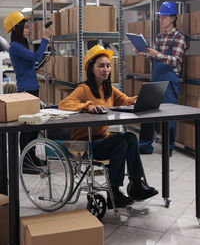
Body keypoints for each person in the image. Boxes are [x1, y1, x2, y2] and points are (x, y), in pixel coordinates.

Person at [58, 45, 158, 209]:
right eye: (101, 65)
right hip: (83, 144)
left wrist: (140, 98)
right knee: (120, 142)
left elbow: (125, 100)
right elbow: (64, 104)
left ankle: (136, 184)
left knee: (130, 138)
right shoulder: (83, 89)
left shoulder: (108, 89)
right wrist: (87, 106)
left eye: (108, 65)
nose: (106, 69)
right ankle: (114, 193)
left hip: (101, 140)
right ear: (91, 67)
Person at [135, 1, 186, 156]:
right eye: (160, 17)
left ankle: (168, 147)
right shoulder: (159, 37)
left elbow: (176, 60)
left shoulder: (179, 38)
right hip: (156, 78)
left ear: (172, 18)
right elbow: (156, 59)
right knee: (148, 111)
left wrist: (157, 54)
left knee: (169, 115)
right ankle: (144, 146)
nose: (161, 20)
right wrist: (144, 53)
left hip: (170, 80)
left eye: (163, 17)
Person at [3, 11, 52, 167]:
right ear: (16, 29)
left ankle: (32, 157)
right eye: (25, 27)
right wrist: (45, 38)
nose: (28, 30)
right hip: (26, 92)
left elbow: (33, 65)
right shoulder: (15, 47)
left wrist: (43, 61)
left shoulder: (21, 46)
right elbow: (35, 57)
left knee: (34, 128)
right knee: (27, 130)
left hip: (32, 90)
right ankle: (26, 163)